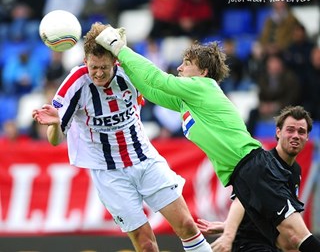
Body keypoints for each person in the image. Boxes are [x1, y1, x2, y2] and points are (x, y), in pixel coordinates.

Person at [94, 24, 320, 252]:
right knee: (276, 242)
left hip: (255, 167)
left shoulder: (203, 87)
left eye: (187, 64)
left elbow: (158, 78)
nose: (180, 68)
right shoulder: (187, 101)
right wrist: (120, 63)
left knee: (294, 236)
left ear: (203, 72)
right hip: (242, 177)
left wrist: (120, 48)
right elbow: (151, 90)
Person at [32, 22, 211, 252]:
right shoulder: (75, 82)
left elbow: (161, 88)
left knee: (186, 225)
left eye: (104, 67)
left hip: (145, 160)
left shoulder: (130, 72)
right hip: (109, 174)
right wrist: (56, 124)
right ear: (85, 61)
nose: (97, 73)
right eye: (93, 66)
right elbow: (55, 140)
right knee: (145, 244)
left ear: (115, 62)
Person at [197, 105, 311, 252]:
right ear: (278, 132)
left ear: (307, 137)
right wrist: (228, 235)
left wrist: (227, 225)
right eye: (290, 130)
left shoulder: (296, 171)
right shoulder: (264, 164)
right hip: (248, 243)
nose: (296, 135)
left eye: (301, 131)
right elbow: (241, 201)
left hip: (269, 243)